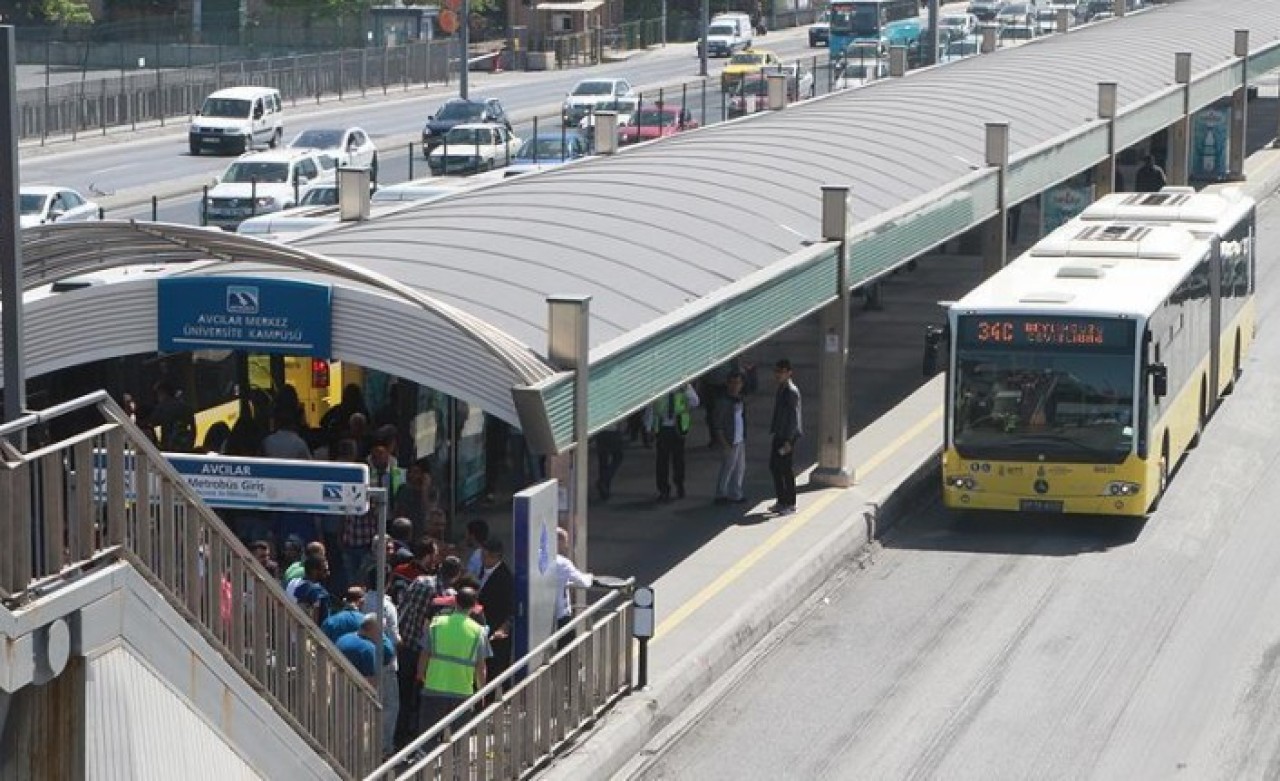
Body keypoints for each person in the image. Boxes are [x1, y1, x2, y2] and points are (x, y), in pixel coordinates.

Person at [416, 587, 491, 740]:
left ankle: (425, 760)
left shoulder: (436, 623)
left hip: (434, 686)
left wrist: (420, 675)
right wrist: (482, 691)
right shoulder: (478, 632)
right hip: (462, 690)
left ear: (455, 602)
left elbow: (424, 654)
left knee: (428, 735)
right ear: (473, 606)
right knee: (458, 737)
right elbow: (481, 667)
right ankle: (456, 763)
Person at [646, 383, 701, 502]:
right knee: (662, 462)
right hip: (662, 428)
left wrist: (685, 390)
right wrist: (648, 428)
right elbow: (651, 407)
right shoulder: (658, 387)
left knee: (679, 460)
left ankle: (679, 484)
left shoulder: (684, 386)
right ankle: (663, 489)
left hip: (678, 428)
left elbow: (695, 402)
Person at [477, 538, 515, 683]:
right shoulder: (483, 571)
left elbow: (510, 606)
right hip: (482, 628)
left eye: (485, 556)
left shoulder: (504, 577)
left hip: (496, 631)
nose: (482, 559)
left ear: (495, 556)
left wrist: (505, 626)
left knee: (495, 670)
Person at [768, 359, 802, 516]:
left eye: (781, 372)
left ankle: (790, 502)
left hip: (787, 437)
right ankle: (781, 500)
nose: (778, 375)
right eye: (777, 372)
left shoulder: (791, 391)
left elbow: (794, 418)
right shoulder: (782, 388)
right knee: (775, 467)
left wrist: (790, 440)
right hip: (779, 434)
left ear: (789, 373)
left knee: (785, 469)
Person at [712, 370, 748, 505]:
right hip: (729, 439)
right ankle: (721, 494)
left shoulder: (740, 399)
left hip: (739, 439)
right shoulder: (723, 402)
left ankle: (736, 493)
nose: (735, 386)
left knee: (740, 467)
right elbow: (718, 424)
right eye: (732, 383)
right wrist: (724, 442)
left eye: (738, 383)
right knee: (728, 467)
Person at [554, 527, 593, 650]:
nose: (566, 546)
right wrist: (590, 577)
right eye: (565, 541)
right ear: (558, 542)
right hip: (561, 613)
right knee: (567, 647)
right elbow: (582, 582)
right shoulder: (562, 563)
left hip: (540, 613)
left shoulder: (536, 558)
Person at [337, 613, 395, 689]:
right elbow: (370, 684)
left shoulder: (342, 638)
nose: (382, 636)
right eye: (382, 632)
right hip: (351, 695)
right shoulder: (368, 649)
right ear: (375, 630)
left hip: (335, 688)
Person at [594, 419, 627, 502]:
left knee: (602, 461)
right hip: (613, 431)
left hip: (600, 431)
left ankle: (604, 490)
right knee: (618, 457)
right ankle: (604, 481)